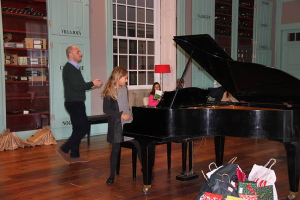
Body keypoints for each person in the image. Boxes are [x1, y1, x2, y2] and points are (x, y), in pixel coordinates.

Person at [56, 45, 103, 164]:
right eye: (78, 52)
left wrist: (92, 85)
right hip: (74, 103)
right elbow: (78, 87)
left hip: (75, 102)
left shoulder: (74, 68)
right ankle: (64, 149)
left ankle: (75, 155)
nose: (81, 53)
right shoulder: (70, 68)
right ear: (71, 55)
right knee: (83, 127)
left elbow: (78, 87)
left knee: (77, 128)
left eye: (80, 51)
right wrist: (91, 83)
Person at [101, 66, 142, 185]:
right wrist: (120, 115)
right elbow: (106, 110)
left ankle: (145, 169)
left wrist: (129, 115)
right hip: (117, 123)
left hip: (128, 121)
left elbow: (125, 104)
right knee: (115, 150)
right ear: (118, 77)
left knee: (139, 144)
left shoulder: (125, 88)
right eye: (125, 78)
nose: (127, 80)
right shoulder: (109, 91)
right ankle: (112, 175)